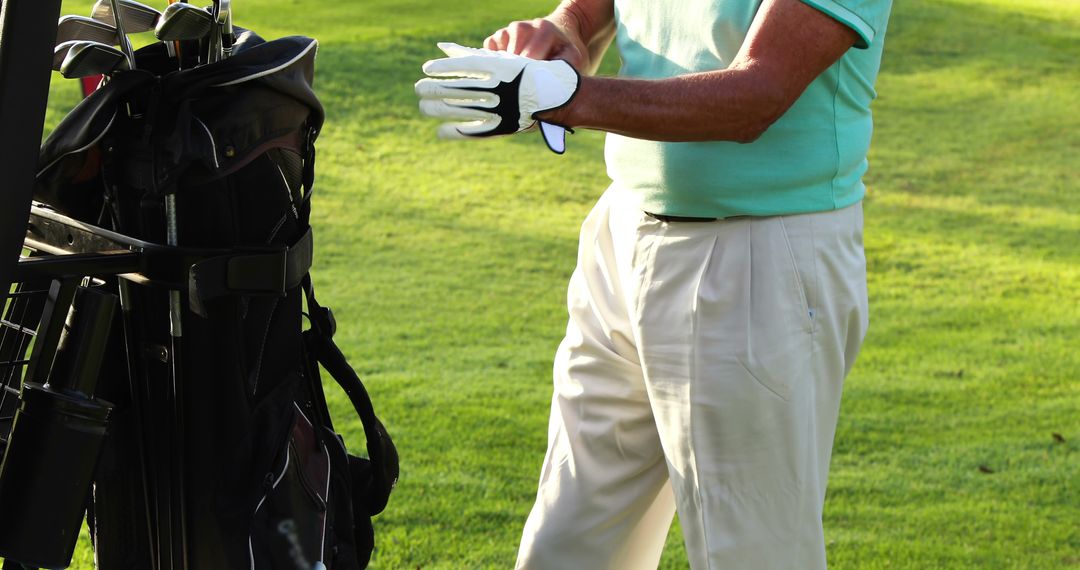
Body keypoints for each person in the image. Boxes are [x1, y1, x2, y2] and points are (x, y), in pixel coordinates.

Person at [416, 0, 892, 567]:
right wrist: (564, 29)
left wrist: (563, 96)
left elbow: (756, 95)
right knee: (568, 543)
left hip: (758, 258)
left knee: (751, 551)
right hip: (623, 232)